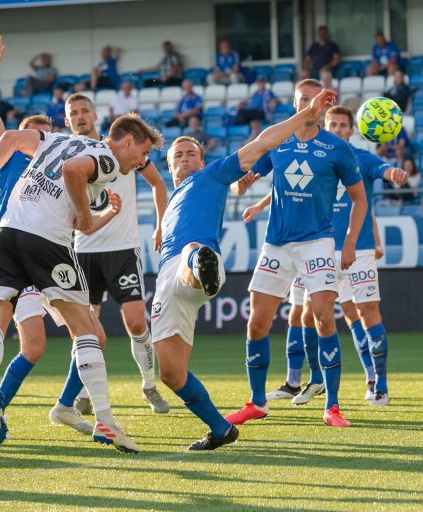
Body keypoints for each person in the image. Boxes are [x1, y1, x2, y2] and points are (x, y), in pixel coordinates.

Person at [150, 86, 337, 450]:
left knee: (193, 250)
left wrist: (306, 115)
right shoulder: (173, 198)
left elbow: (262, 143)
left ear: (202, 161)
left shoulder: (213, 175)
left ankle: (200, 264)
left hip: (193, 261)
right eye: (179, 154)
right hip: (167, 280)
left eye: (192, 152)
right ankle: (221, 430)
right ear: (170, 165)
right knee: (171, 373)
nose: (186, 157)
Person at [0, 102, 162, 453]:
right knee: (87, 331)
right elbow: (75, 174)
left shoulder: (53, 139)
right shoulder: (104, 155)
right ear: (128, 141)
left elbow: (11, 137)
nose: (139, 162)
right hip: (46, 240)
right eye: (143, 153)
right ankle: (105, 420)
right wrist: (88, 213)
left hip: (7, 232)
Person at [224, 80, 367, 428]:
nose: (307, 104)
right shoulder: (278, 140)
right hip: (277, 243)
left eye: (313, 99)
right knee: (257, 322)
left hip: (317, 241)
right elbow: (242, 178)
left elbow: (359, 198)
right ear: (295, 103)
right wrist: (241, 184)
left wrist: (349, 242)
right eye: (302, 99)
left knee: (323, 317)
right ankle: (257, 402)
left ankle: (332, 406)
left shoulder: (336, 148)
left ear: (322, 105)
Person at [244, 106, 407, 407]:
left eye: (344, 125)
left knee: (363, 313)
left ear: (352, 130)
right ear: (324, 123)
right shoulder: (313, 150)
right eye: (333, 123)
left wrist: (393, 172)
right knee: (307, 315)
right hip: (316, 246)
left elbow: (365, 198)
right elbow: (290, 182)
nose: (338, 129)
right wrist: (261, 204)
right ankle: (312, 380)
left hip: (356, 249)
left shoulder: (359, 157)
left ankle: (377, 382)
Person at [50, 91, 172, 427]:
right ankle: (85, 393)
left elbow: (159, 185)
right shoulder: (72, 154)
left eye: (84, 110)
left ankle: (149, 385)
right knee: (86, 330)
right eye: (73, 113)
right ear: (66, 120)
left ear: (95, 115)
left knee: (135, 323)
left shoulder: (122, 151)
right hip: (82, 251)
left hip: (122, 249)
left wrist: (160, 225)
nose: (80, 117)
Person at [0, 36, 66, 440]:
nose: (41, 138)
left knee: (34, 346)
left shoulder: (60, 166)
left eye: (46, 133)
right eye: (35, 132)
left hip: (36, 249)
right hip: (14, 243)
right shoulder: (9, 153)